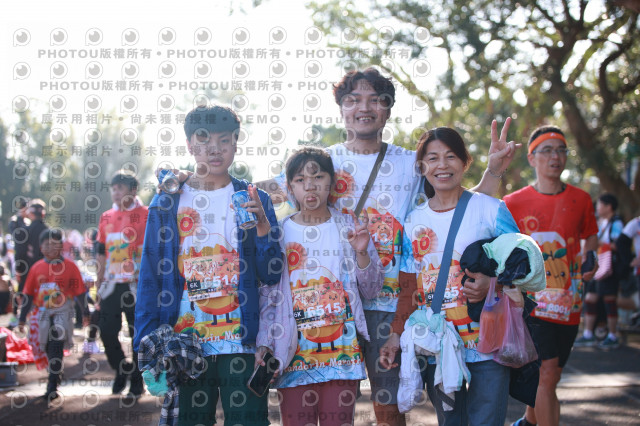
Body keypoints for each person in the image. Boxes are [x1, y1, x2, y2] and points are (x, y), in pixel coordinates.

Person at [257, 68, 519, 426]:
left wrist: (493, 172)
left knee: (389, 408)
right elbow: (261, 195)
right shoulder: (320, 163)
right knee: (329, 407)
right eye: (353, 100)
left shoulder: (410, 163)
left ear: (388, 109)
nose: (364, 108)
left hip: (389, 305)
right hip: (332, 308)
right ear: (341, 109)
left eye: (375, 100)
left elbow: (458, 206)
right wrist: (197, 179)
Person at [134, 105, 282, 426]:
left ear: (236, 143)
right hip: (184, 344)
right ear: (190, 145)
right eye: (204, 140)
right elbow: (151, 273)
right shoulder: (168, 201)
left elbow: (271, 273)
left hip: (242, 342)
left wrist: (262, 225)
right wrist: (144, 341)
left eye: (224, 140)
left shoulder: (253, 198)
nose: (215, 149)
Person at [379, 127, 522, 425]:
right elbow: (409, 287)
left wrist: (492, 283)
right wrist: (395, 333)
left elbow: (524, 264)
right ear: (422, 167)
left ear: (465, 162)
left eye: (451, 156)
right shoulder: (414, 221)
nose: (442, 165)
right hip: (438, 345)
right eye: (432, 158)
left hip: (489, 343)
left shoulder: (491, 209)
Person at [258, 147, 384, 425]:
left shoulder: (349, 226)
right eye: (300, 179)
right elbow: (268, 295)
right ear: (290, 186)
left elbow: (372, 290)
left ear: (331, 181)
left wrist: (362, 252)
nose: (310, 186)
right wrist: (264, 343)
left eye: (318, 177)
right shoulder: (279, 233)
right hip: (292, 354)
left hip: (342, 356)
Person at [503, 125, 599, 426]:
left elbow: (590, 236)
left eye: (561, 150)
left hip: (569, 303)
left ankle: (528, 422)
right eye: (547, 151)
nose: (555, 157)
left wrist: (591, 258)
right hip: (532, 304)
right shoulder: (512, 203)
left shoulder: (582, 199)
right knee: (546, 372)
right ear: (532, 158)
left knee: (552, 376)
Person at [17, 229, 89, 400]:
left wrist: (86, 313)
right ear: (41, 248)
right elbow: (28, 295)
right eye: (47, 244)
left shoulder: (70, 267)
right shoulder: (36, 268)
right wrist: (21, 318)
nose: (50, 248)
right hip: (42, 313)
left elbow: (80, 292)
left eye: (54, 244)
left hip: (63, 311)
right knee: (47, 345)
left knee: (57, 342)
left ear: (61, 246)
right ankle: (55, 371)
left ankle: (52, 384)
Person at [96, 171, 148, 396]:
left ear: (133, 190)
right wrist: (98, 282)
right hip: (111, 285)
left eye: (121, 188)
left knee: (138, 334)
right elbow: (100, 251)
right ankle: (121, 368)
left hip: (137, 285)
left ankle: (137, 380)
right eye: (113, 188)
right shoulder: (106, 216)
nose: (116, 192)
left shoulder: (147, 214)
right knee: (106, 331)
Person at [575, 193, 624, 349]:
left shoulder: (616, 223)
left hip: (609, 267)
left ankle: (613, 335)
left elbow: (619, 245)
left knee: (610, 301)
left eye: (600, 205)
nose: (597, 208)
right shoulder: (602, 222)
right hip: (599, 266)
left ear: (609, 207)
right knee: (590, 299)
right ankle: (588, 334)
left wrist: (598, 243)